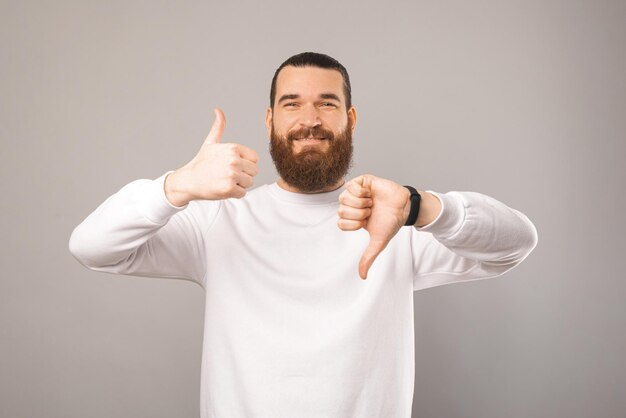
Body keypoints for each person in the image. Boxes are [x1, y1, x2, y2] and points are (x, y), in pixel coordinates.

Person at [69, 52, 538, 418]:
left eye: (327, 104)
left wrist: (421, 206)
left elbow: (516, 243)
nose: (309, 119)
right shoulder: (221, 221)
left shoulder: (391, 220)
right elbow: (91, 247)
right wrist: (176, 186)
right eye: (291, 103)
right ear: (270, 120)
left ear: (350, 120)